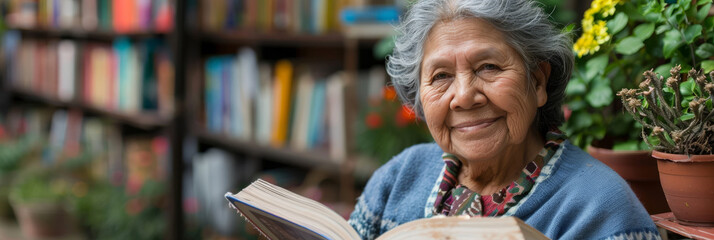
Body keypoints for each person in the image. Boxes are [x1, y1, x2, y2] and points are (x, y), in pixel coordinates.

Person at [347, 0, 660, 239]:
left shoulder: (602, 209)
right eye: (441, 75)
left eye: (488, 67)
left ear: (537, 82)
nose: (464, 96)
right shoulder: (399, 178)